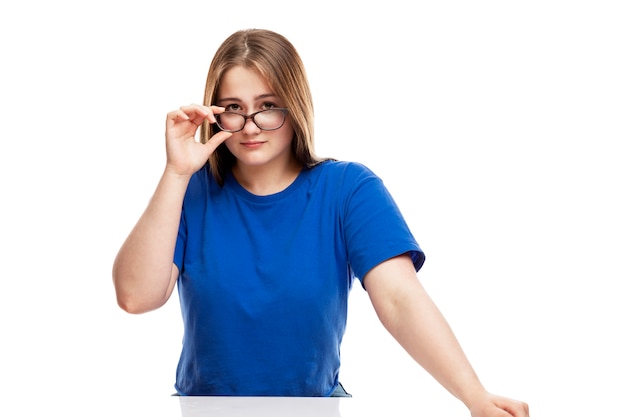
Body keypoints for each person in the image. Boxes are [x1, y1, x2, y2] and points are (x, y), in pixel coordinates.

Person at [112, 28, 529, 416]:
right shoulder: (191, 193)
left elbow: (400, 301)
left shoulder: (348, 189)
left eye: (268, 107)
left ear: (294, 107)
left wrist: (474, 395)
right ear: (214, 114)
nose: (251, 126)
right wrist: (176, 173)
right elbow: (136, 297)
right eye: (234, 110)